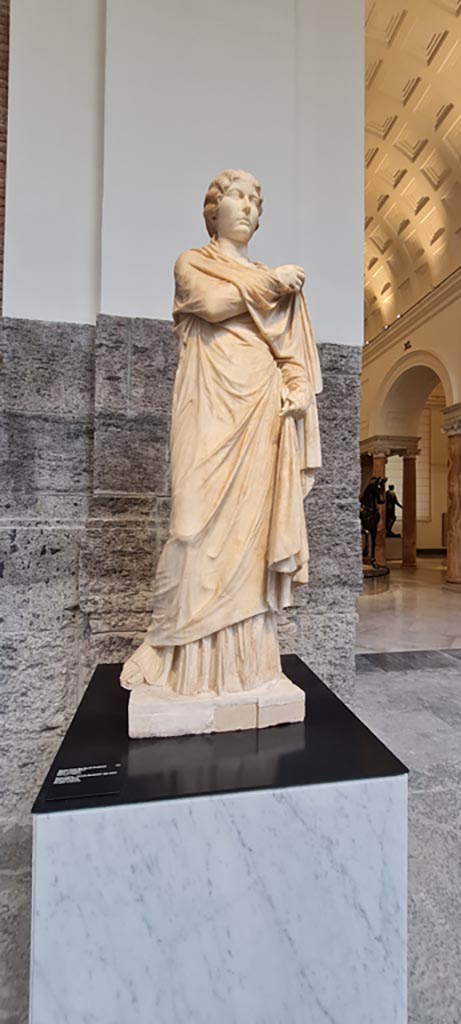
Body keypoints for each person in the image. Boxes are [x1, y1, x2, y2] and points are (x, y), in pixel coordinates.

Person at [120, 169, 322, 696]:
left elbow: (292, 358)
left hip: (260, 413)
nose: (249, 206)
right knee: (190, 525)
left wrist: (297, 391)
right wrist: (273, 282)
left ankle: (242, 669)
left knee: (249, 541)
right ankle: (174, 653)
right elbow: (210, 306)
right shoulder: (194, 263)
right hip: (207, 406)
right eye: (238, 196)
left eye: (257, 199)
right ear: (214, 207)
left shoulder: (269, 281)